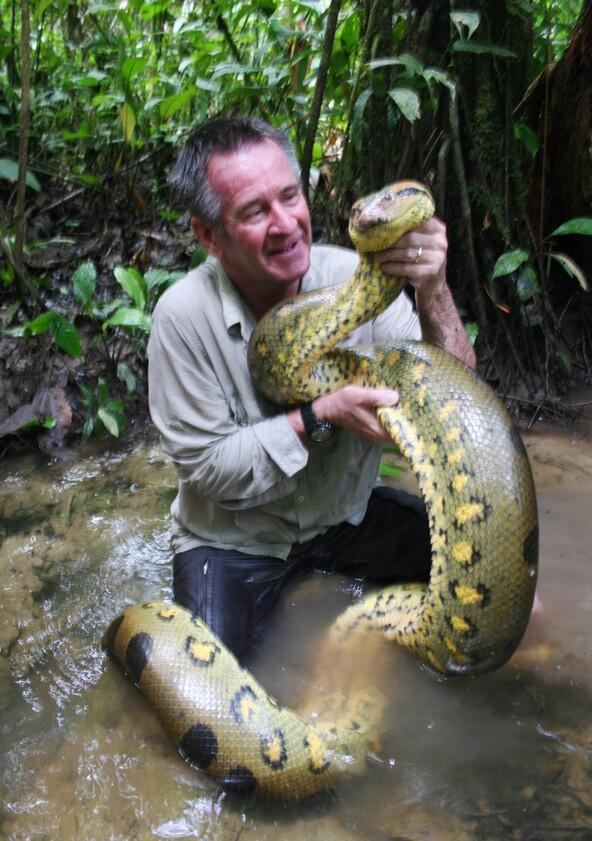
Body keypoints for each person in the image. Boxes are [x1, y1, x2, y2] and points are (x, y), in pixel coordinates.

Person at [148, 116, 476, 660]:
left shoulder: (356, 280)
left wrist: (433, 290)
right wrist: (321, 414)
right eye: (255, 211)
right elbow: (207, 469)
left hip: (342, 517)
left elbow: (455, 395)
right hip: (236, 542)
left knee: (492, 596)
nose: (286, 224)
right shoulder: (182, 318)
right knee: (207, 685)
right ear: (208, 235)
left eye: (290, 197)